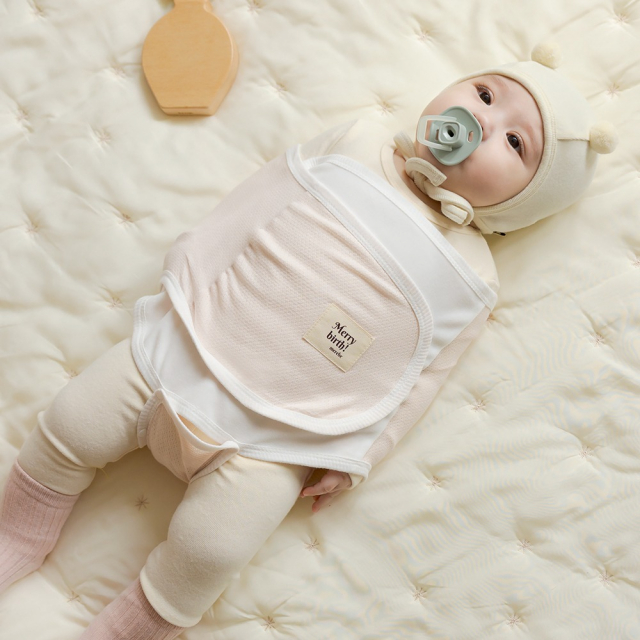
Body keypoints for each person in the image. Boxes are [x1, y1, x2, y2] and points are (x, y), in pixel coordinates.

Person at [0, 41, 617, 639]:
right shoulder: (359, 144)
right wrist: (189, 271)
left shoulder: (473, 276)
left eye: (515, 143)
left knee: (212, 550)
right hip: (187, 342)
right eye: (484, 94)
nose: (482, 123)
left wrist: (360, 455)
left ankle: (134, 626)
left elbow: (424, 375)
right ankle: (17, 533)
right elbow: (263, 195)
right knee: (71, 421)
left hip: (285, 435)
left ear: (521, 204)